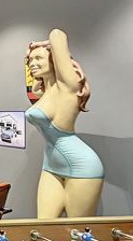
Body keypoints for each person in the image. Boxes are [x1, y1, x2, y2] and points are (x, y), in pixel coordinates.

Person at [25, 29, 104, 218]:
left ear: (54, 59)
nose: (32, 63)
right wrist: (35, 52)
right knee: (43, 228)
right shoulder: (45, 92)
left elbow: (57, 34)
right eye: (31, 60)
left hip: (82, 167)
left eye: (39, 58)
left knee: (79, 231)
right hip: (50, 166)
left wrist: (40, 44)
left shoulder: (68, 87)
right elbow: (36, 90)